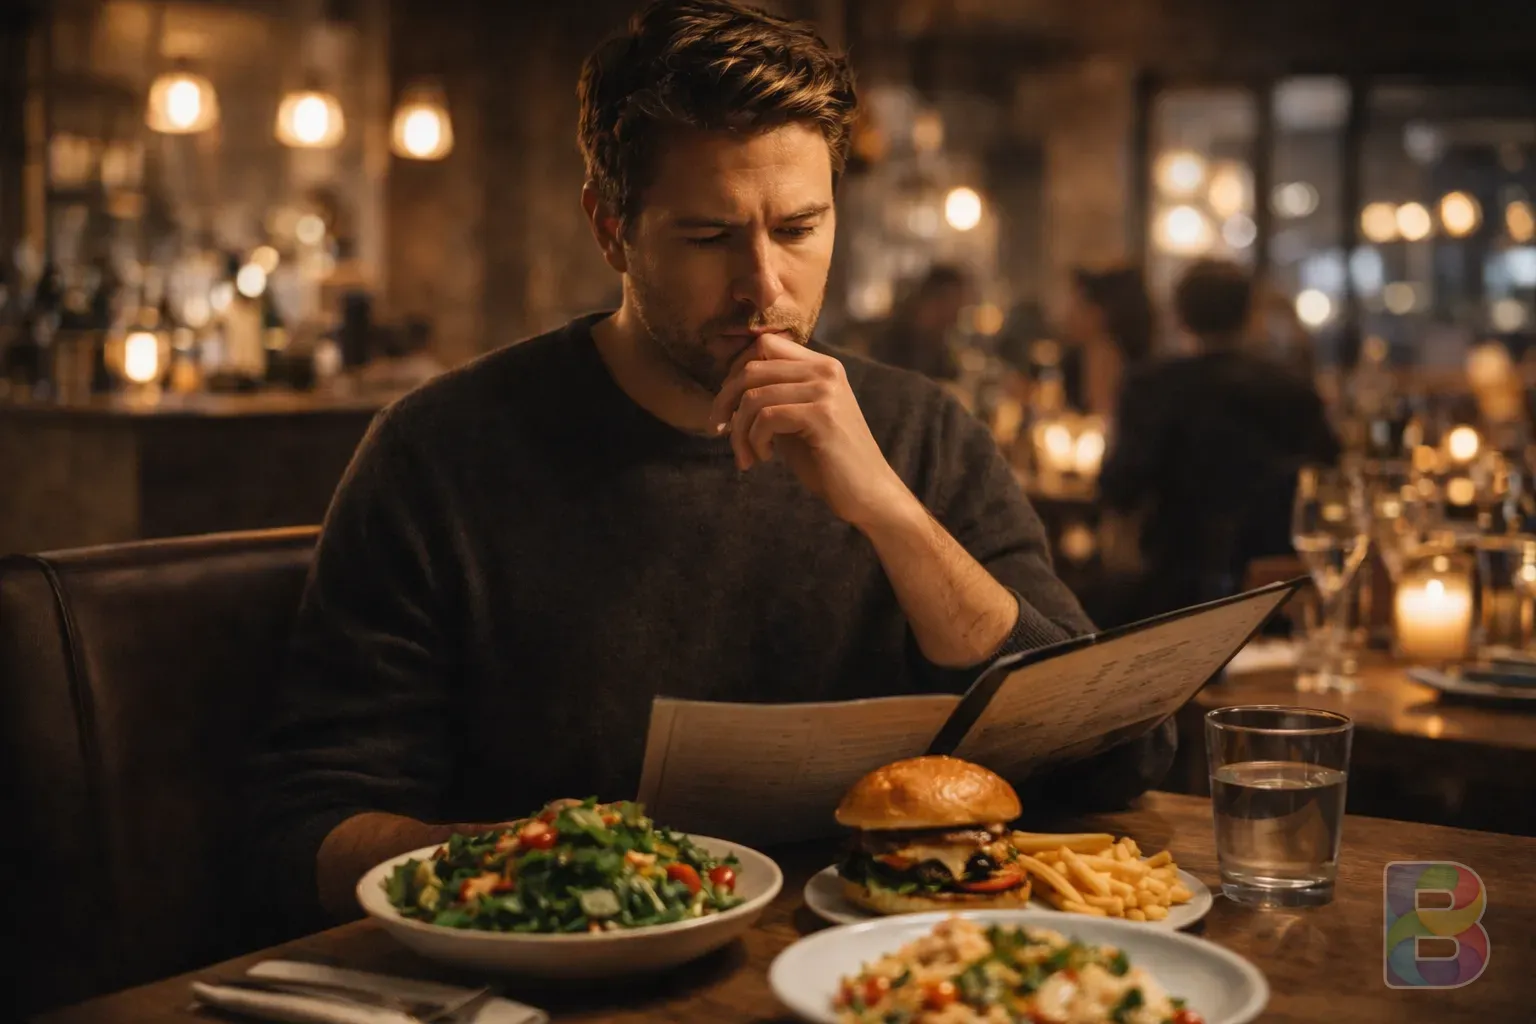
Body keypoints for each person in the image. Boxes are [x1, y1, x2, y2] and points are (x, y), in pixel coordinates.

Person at [250, 0, 1176, 928]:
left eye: (800, 228)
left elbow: (1124, 761)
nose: (764, 287)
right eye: (709, 237)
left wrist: (891, 514)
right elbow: (308, 830)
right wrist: (585, 873)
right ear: (610, 226)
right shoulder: (439, 452)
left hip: (877, 974)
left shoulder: (923, 434)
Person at [1090, 259, 1339, 627]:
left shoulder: (1153, 385)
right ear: (1249, 313)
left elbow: (1117, 487)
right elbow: (1329, 473)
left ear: (1178, 315)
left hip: (1170, 593)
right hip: (1276, 592)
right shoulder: (1292, 387)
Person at [1060, 264, 1155, 417]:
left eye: (1079, 304)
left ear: (1102, 313)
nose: (1068, 314)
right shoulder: (1074, 366)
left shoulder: (1137, 382)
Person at [871, 264, 971, 381]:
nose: (956, 317)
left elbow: (950, 375)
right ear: (935, 300)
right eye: (954, 306)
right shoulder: (899, 339)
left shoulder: (936, 340)